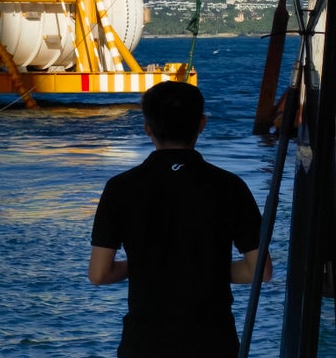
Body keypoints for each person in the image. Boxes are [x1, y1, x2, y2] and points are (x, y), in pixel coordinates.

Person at [88, 80, 272, 357]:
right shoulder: (229, 186)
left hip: (145, 341)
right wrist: (202, 266)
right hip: (213, 340)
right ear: (202, 124)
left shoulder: (121, 187)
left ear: (147, 127)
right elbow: (260, 272)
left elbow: (100, 274)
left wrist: (146, 265)